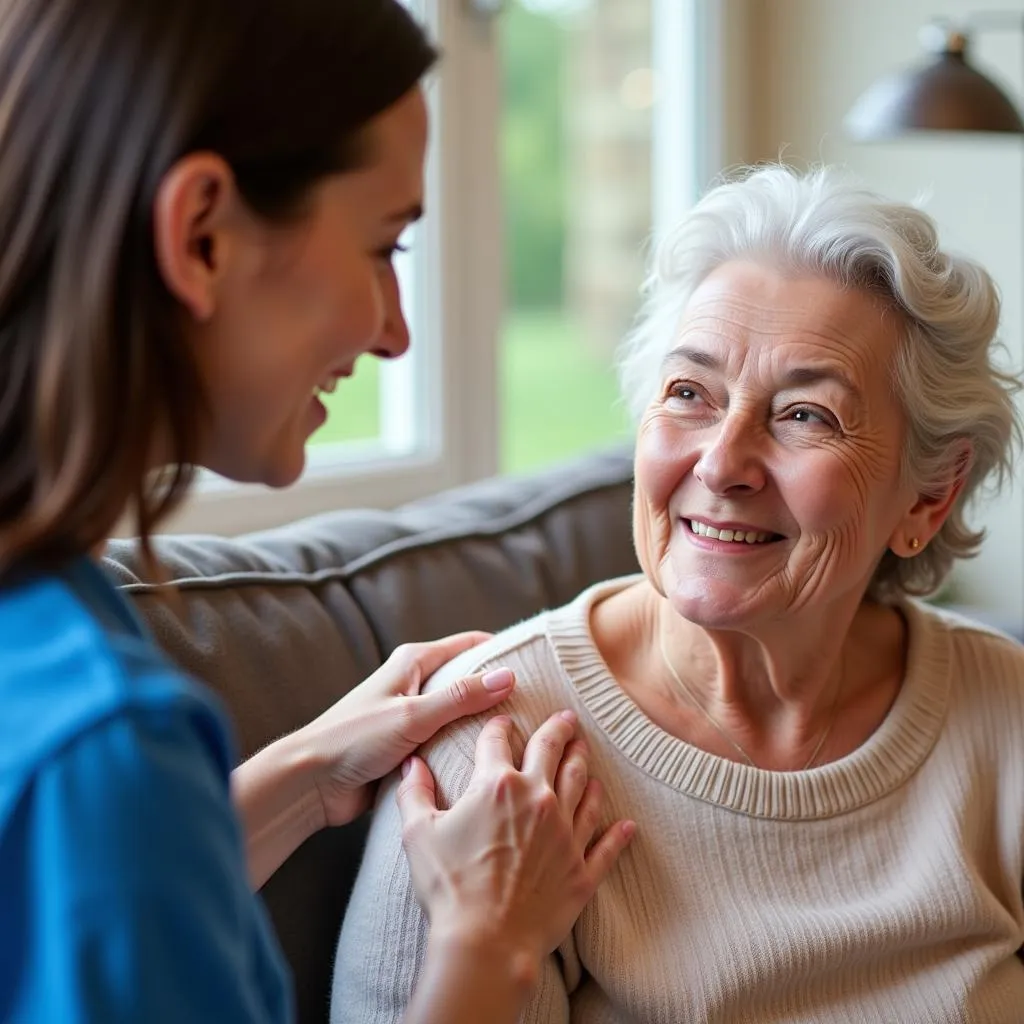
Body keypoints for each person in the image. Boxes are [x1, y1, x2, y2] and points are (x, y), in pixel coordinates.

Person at [0, 2, 634, 1022]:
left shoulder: (61, 660)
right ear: (201, 233)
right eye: (385, 245)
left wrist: (302, 774)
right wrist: (487, 941)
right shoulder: (103, 748)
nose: (395, 334)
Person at [332, 163, 1024, 1023]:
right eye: (690, 394)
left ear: (929, 495)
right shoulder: (494, 753)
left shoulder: (1008, 720)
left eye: (806, 414)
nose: (722, 464)